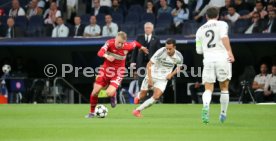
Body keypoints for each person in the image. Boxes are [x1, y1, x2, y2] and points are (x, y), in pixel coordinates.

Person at [85, 31, 149, 118]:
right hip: (105, 71)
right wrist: (107, 56)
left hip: (118, 72)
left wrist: (142, 47)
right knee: (95, 92)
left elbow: (135, 43)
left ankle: (113, 95)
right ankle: (92, 112)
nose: (120, 45)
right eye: (118, 42)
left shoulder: (127, 46)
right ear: (115, 39)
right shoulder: (109, 43)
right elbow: (100, 52)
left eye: (122, 43)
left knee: (109, 93)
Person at [195, 7, 235, 124]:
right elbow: (224, 37)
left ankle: (206, 106)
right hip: (222, 58)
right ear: (218, 16)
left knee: (208, 88)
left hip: (208, 60)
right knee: (224, 87)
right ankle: (223, 114)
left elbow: (198, 51)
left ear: (206, 16)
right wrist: (230, 52)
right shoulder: (222, 24)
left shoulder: (199, 30)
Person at [132, 38, 183, 118]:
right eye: (167, 48)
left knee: (156, 97)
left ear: (174, 47)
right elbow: (149, 64)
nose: (168, 50)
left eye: (170, 49)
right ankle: (138, 97)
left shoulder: (179, 56)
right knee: (143, 95)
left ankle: (137, 110)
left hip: (163, 79)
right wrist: (149, 79)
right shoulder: (161, 52)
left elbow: (179, 67)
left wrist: (172, 74)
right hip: (152, 75)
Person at [130, 22, 161, 104]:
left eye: (149, 28)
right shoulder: (139, 38)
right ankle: (141, 101)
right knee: (141, 82)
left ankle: (153, 101)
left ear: (152, 29)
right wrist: (132, 62)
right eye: (146, 27)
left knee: (152, 83)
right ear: (144, 29)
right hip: (141, 64)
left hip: (152, 65)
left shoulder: (156, 39)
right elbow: (135, 51)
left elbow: (159, 52)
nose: (147, 29)